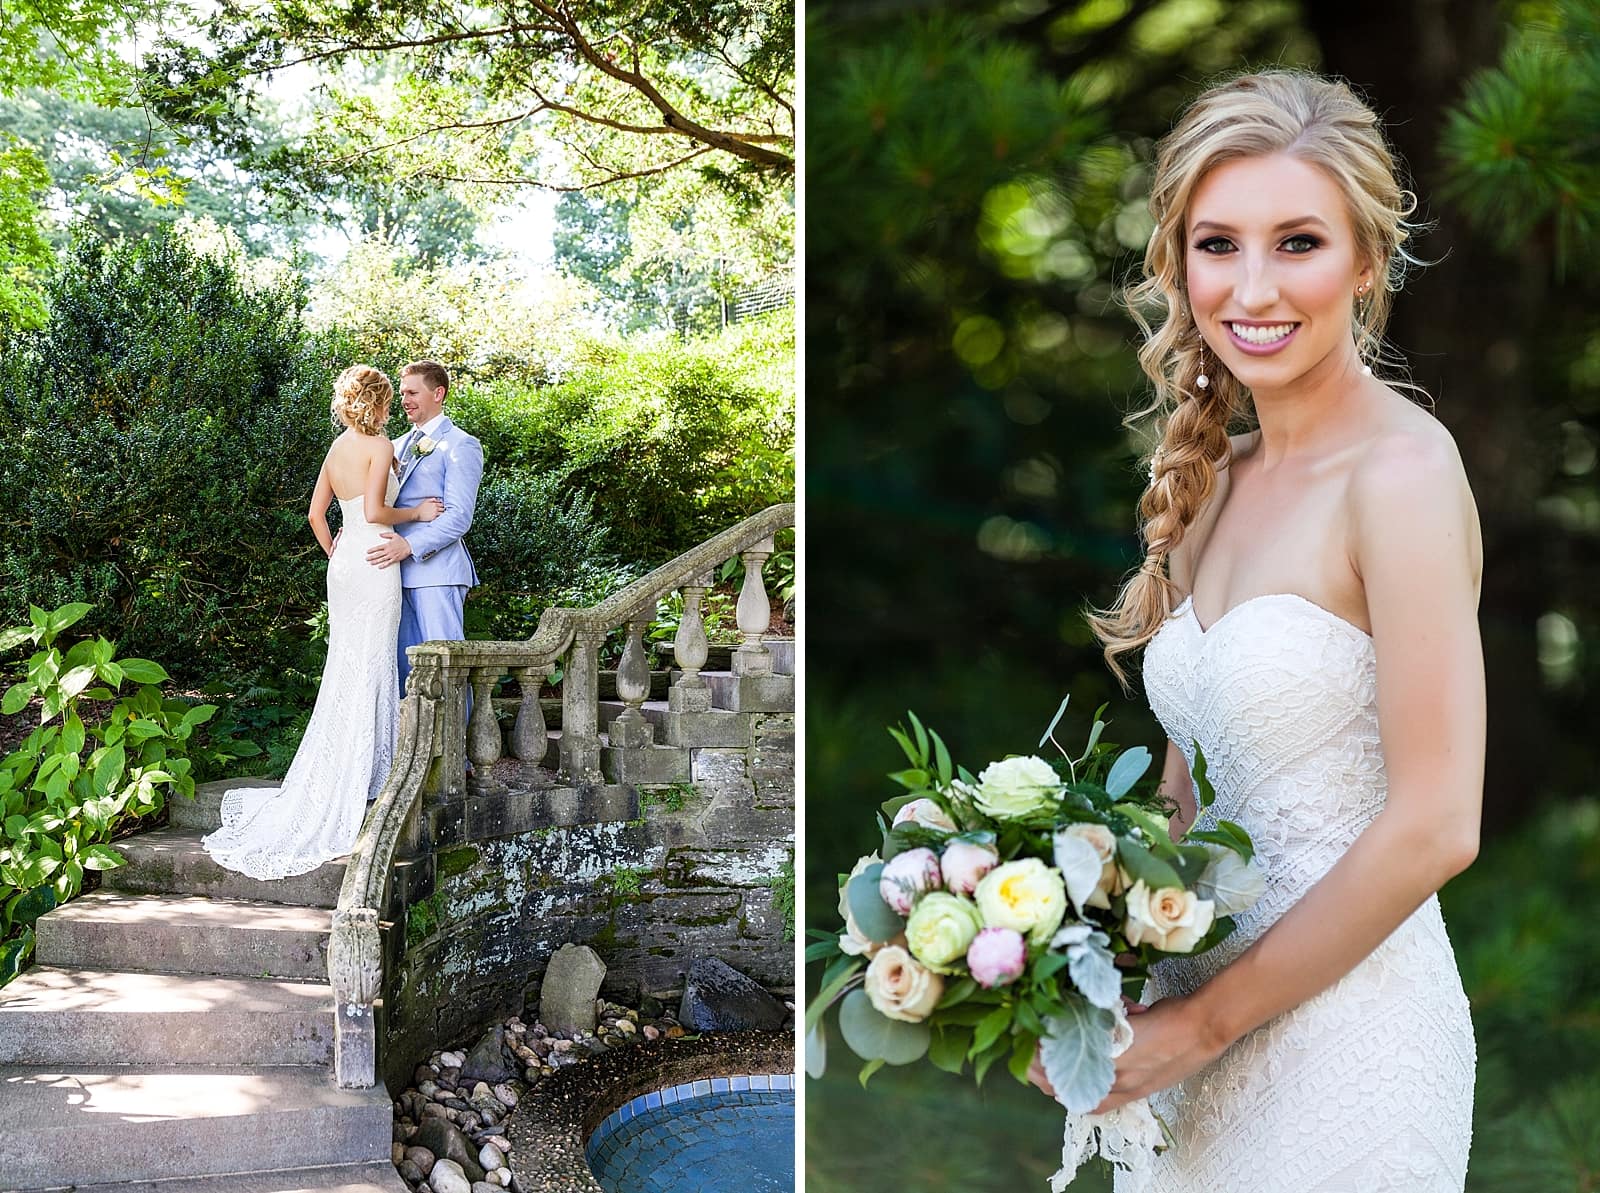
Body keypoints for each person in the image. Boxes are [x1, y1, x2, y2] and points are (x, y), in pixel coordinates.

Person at [1038, 71, 1483, 1191]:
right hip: (1195, 1026)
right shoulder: (1212, 481)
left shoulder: (1403, 475)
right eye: (1217, 243)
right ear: (1179, 263)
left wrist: (1204, 1025)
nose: (1251, 287)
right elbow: (1193, 792)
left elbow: (1437, 823)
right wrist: (1084, 959)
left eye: (1296, 243)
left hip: (1350, 1044)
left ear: (1367, 261)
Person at [203, 366, 444, 879]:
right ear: (378, 404)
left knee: (346, 665)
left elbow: (316, 515)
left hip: (347, 565)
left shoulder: (337, 449)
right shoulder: (378, 446)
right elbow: (378, 512)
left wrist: (338, 553)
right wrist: (419, 513)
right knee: (373, 663)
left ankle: (355, 770)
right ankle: (370, 776)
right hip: (378, 563)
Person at [365, 359, 483, 693]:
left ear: (438, 393)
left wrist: (411, 546)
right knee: (407, 672)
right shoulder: (396, 444)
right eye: (402, 393)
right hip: (393, 574)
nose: (405, 399)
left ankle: (455, 743)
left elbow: (459, 516)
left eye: (413, 392)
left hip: (437, 573)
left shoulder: (461, 444)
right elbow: (381, 505)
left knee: (445, 670)